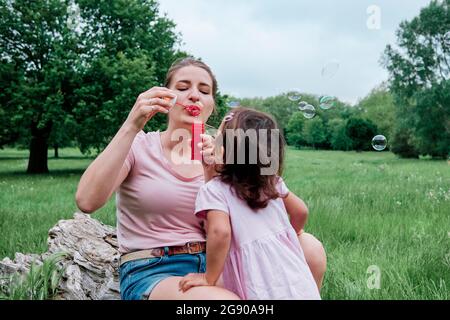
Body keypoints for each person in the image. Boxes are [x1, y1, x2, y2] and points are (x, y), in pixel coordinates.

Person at [75, 57, 326, 300]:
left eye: (204, 90)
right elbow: (87, 201)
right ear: (165, 98)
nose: (194, 95)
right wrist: (132, 124)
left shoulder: (228, 154)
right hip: (155, 269)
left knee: (311, 250)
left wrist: (213, 177)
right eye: (183, 87)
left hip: (220, 261)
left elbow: (240, 224)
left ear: (212, 104)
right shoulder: (139, 145)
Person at [178, 108, 321, 299]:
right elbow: (301, 212)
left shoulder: (213, 190)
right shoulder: (272, 183)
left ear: (228, 151)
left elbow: (220, 232)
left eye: (218, 139)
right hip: (297, 278)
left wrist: (209, 277)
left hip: (258, 283)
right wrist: (290, 235)